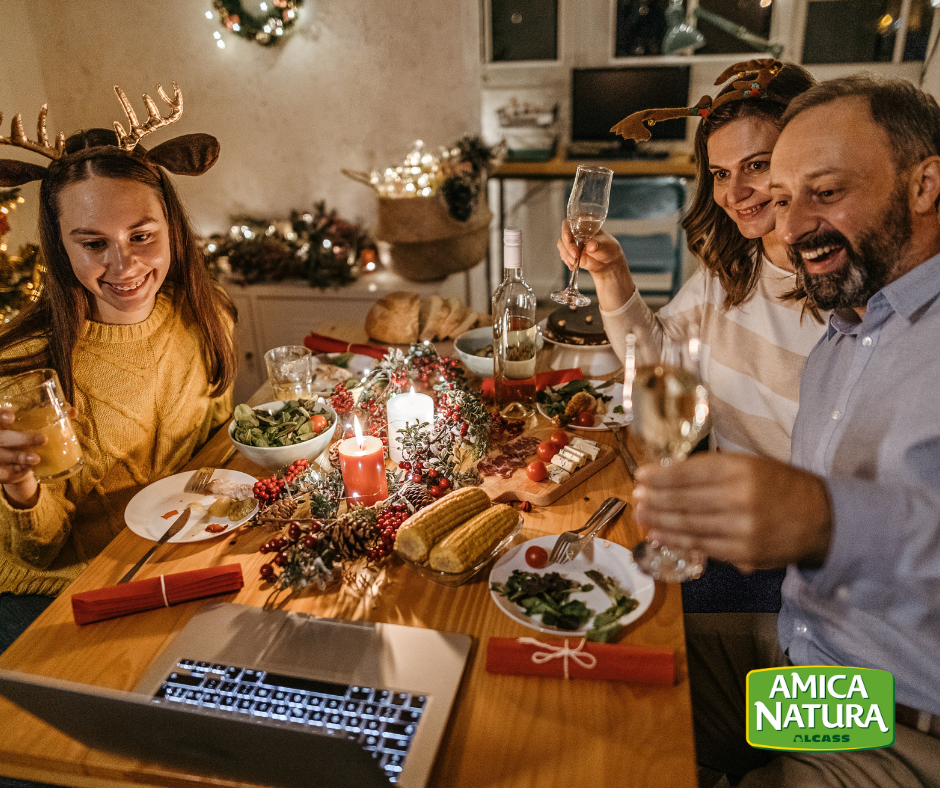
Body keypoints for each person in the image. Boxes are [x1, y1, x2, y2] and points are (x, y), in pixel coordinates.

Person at [634, 75, 940, 786]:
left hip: (901, 718)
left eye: (825, 193)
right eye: (785, 196)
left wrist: (825, 520)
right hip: (815, 678)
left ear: (925, 185)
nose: (793, 224)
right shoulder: (844, 337)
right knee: (588, 678)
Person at [559, 61, 825, 613]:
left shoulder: (852, 294)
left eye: (757, 164)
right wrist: (611, 274)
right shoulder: (731, 272)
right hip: (721, 536)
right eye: (721, 173)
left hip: (808, 562)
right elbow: (658, 363)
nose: (737, 192)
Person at [0, 85, 237, 653]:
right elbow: (42, 550)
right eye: (93, 243)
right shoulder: (23, 369)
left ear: (171, 228)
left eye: (141, 236)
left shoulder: (208, 317)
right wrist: (18, 485)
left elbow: (209, 453)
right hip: (58, 593)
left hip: (171, 560)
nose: (123, 264)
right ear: (60, 245)